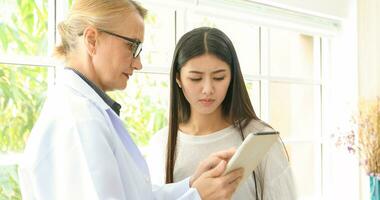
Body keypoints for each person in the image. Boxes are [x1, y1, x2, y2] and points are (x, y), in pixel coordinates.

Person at [17, 1, 244, 199]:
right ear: (92, 40)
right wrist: (196, 197)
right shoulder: (79, 121)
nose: (138, 63)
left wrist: (192, 185)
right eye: (132, 46)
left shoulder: (89, 112)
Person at [146, 27, 296, 200]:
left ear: (232, 77)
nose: (208, 89)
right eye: (195, 78)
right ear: (178, 78)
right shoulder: (161, 143)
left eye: (219, 77)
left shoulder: (260, 138)